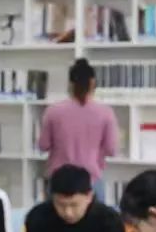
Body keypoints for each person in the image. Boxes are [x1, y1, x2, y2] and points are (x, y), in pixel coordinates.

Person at [38, 58, 118, 202]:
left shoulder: (53, 111)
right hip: (91, 181)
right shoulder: (106, 112)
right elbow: (111, 150)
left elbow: (43, 146)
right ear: (93, 83)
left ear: (70, 84)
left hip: (59, 181)